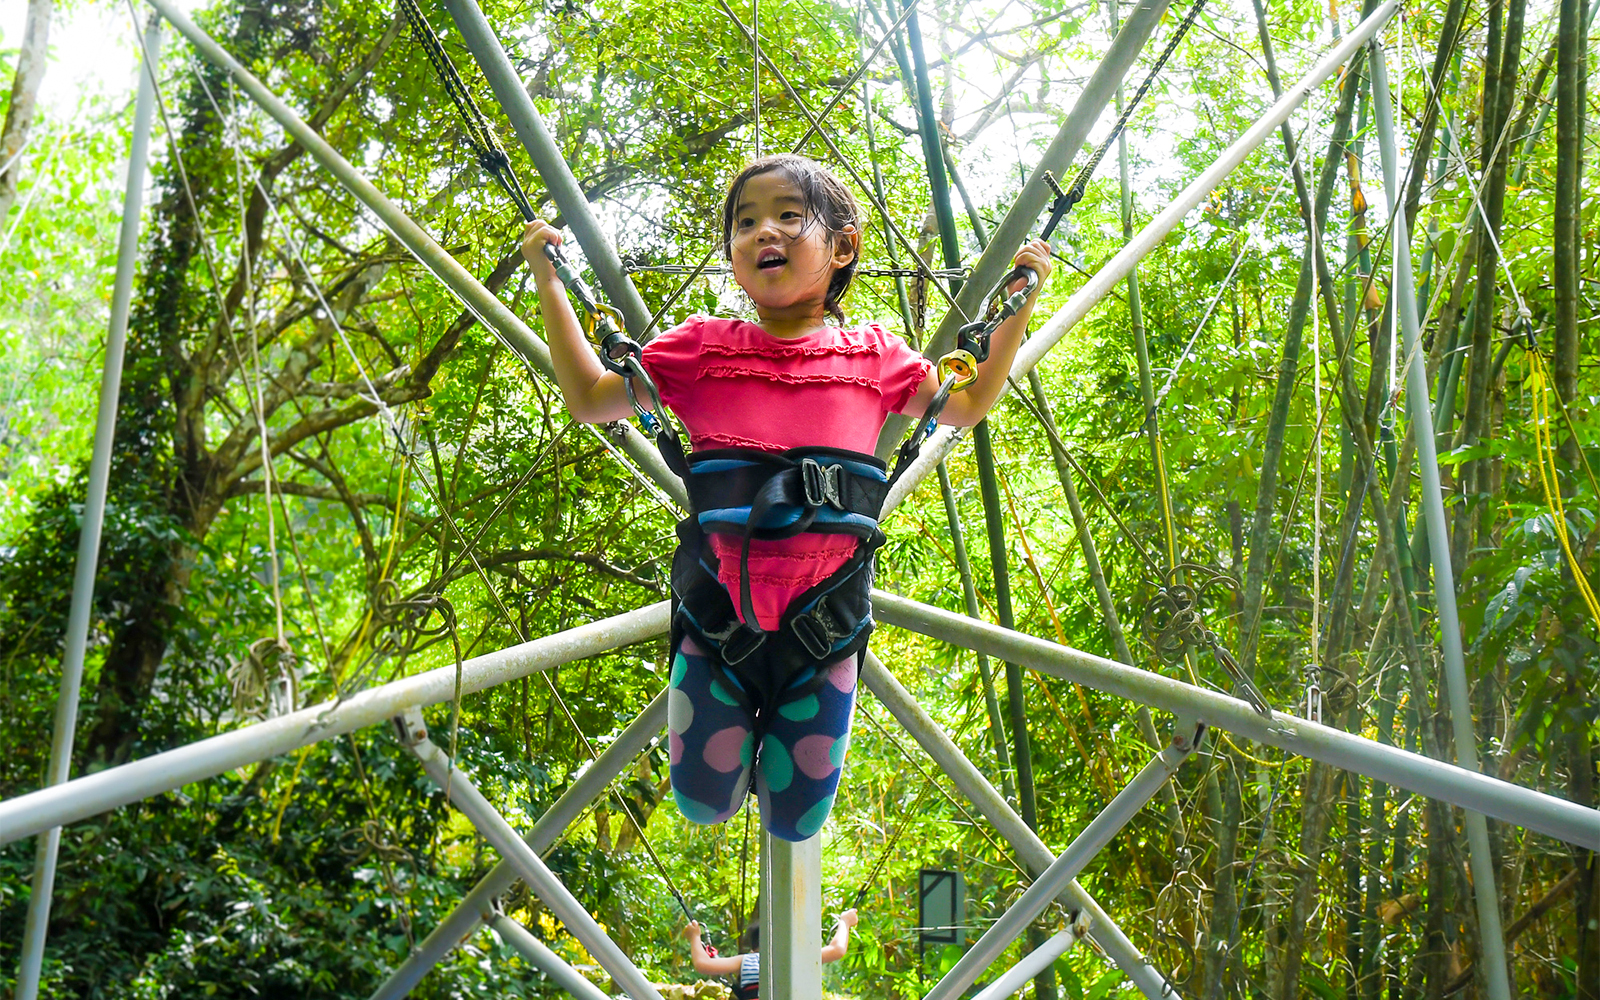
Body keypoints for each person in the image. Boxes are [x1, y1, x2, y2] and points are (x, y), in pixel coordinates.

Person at [521, 153, 1050, 842]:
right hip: (719, 624)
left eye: (788, 216)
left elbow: (970, 399)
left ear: (842, 246)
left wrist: (1020, 300)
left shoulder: (873, 356)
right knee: (702, 804)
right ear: (733, 255)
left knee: (796, 824)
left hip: (822, 634)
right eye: (745, 222)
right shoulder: (699, 349)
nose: (763, 231)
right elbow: (592, 398)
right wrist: (547, 278)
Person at [685, 911, 859, 998]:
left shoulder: (746, 960)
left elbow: (703, 964)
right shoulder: (794, 958)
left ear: (753, 947)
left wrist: (694, 937)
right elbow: (837, 949)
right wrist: (845, 922)